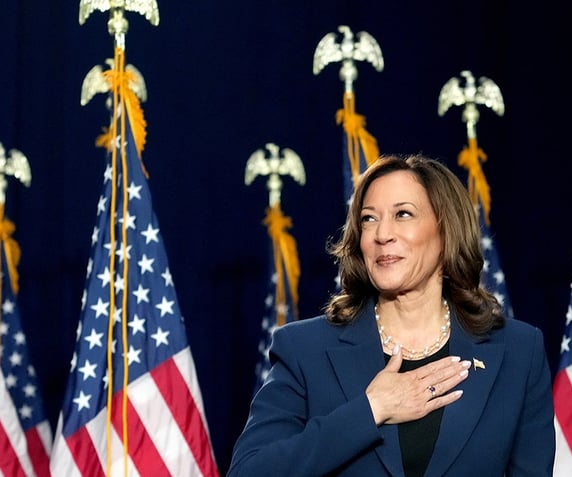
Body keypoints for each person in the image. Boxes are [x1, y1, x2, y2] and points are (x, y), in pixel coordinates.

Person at [227, 154, 554, 476]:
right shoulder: (304, 349)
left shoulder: (519, 352)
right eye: (369, 218)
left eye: (403, 214)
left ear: (446, 231)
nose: (382, 234)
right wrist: (371, 410)